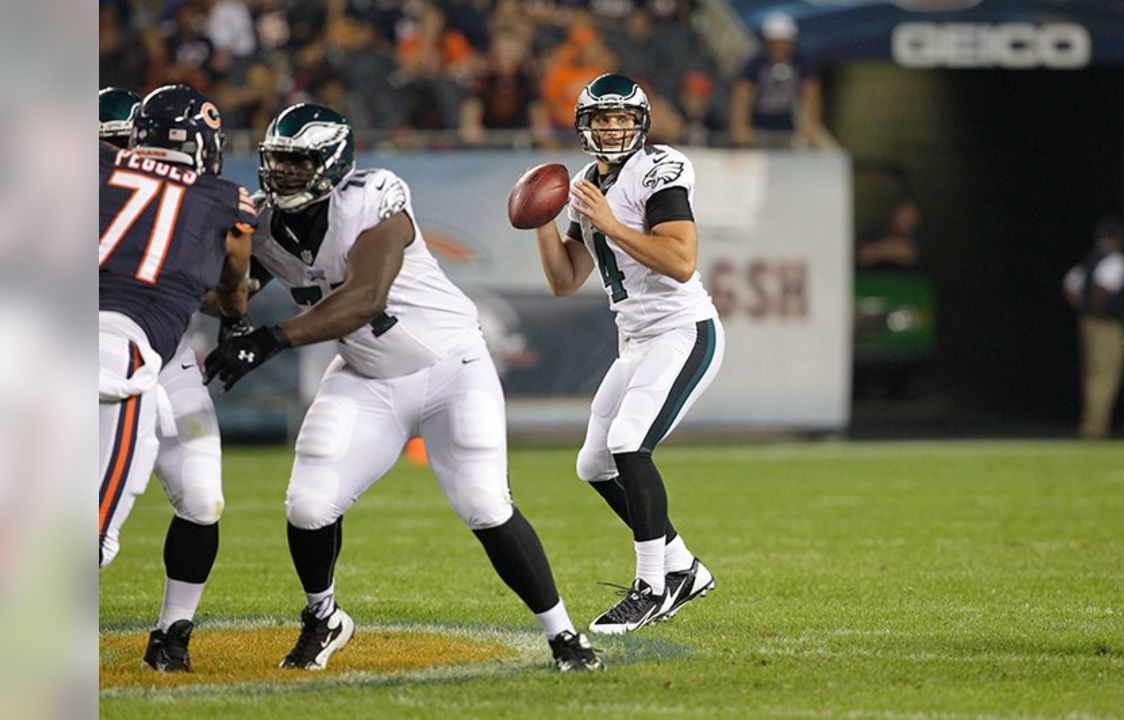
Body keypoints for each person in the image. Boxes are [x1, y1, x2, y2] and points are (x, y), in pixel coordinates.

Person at [201, 103, 601, 672]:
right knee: (308, 505)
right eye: (278, 161)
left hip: (450, 368)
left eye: (299, 161)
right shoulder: (265, 222)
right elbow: (230, 294)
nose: (285, 173)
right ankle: (323, 617)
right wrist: (215, 284)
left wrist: (267, 341)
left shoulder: (374, 197)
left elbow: (364, 296)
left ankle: (564, 637)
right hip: (367, 376)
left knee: (486, 504)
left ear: (334, 163)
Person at [528, 73, 723, 634]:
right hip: (635, 341)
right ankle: (682, 566)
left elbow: (681, 260)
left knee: (629, 443)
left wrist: (610, 223)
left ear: (640, 124)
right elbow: (566, 279)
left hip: (683, 330)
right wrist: (542, 223)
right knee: (593, 464)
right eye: (602, 119)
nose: (613, 128)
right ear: (584, 126)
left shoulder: (657, 169)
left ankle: (652, 586)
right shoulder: (588, 183)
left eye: (622, 118)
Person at [98, 85, 255, 673]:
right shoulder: (212, 194)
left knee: (202, 496)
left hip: (167, 357)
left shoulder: (101, 174)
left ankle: (172, 632)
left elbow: (196, 287)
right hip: (119, 353)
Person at [1063, 216, 1124, 439]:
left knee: (1093, 376)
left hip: (1088, 324)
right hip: (1106, 325)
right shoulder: (1115, 260)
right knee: (1106, 376)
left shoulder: (1090, 259)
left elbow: (1071, 285)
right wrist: (1097, 312)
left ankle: (1091, 425)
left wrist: (1083, 309)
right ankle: (1096, 428)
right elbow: (1101, 289)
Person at [730, 12, 832, 148]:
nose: (780, 47)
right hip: (758, 123)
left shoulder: (801, 62)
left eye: (784, 42)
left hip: (787, 123)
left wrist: (811, 123)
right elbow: (743, 94)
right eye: (776, 42)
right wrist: (741, 125)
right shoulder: (756, 63)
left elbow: (811, 93)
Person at [857, 201, 922, 270]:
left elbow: (910, 255)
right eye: (902, 215)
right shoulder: (875, 230)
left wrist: (879, 250)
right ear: (893, 215)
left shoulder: (915, 237)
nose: (906, 220)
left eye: (910, 216)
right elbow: (863, 256)